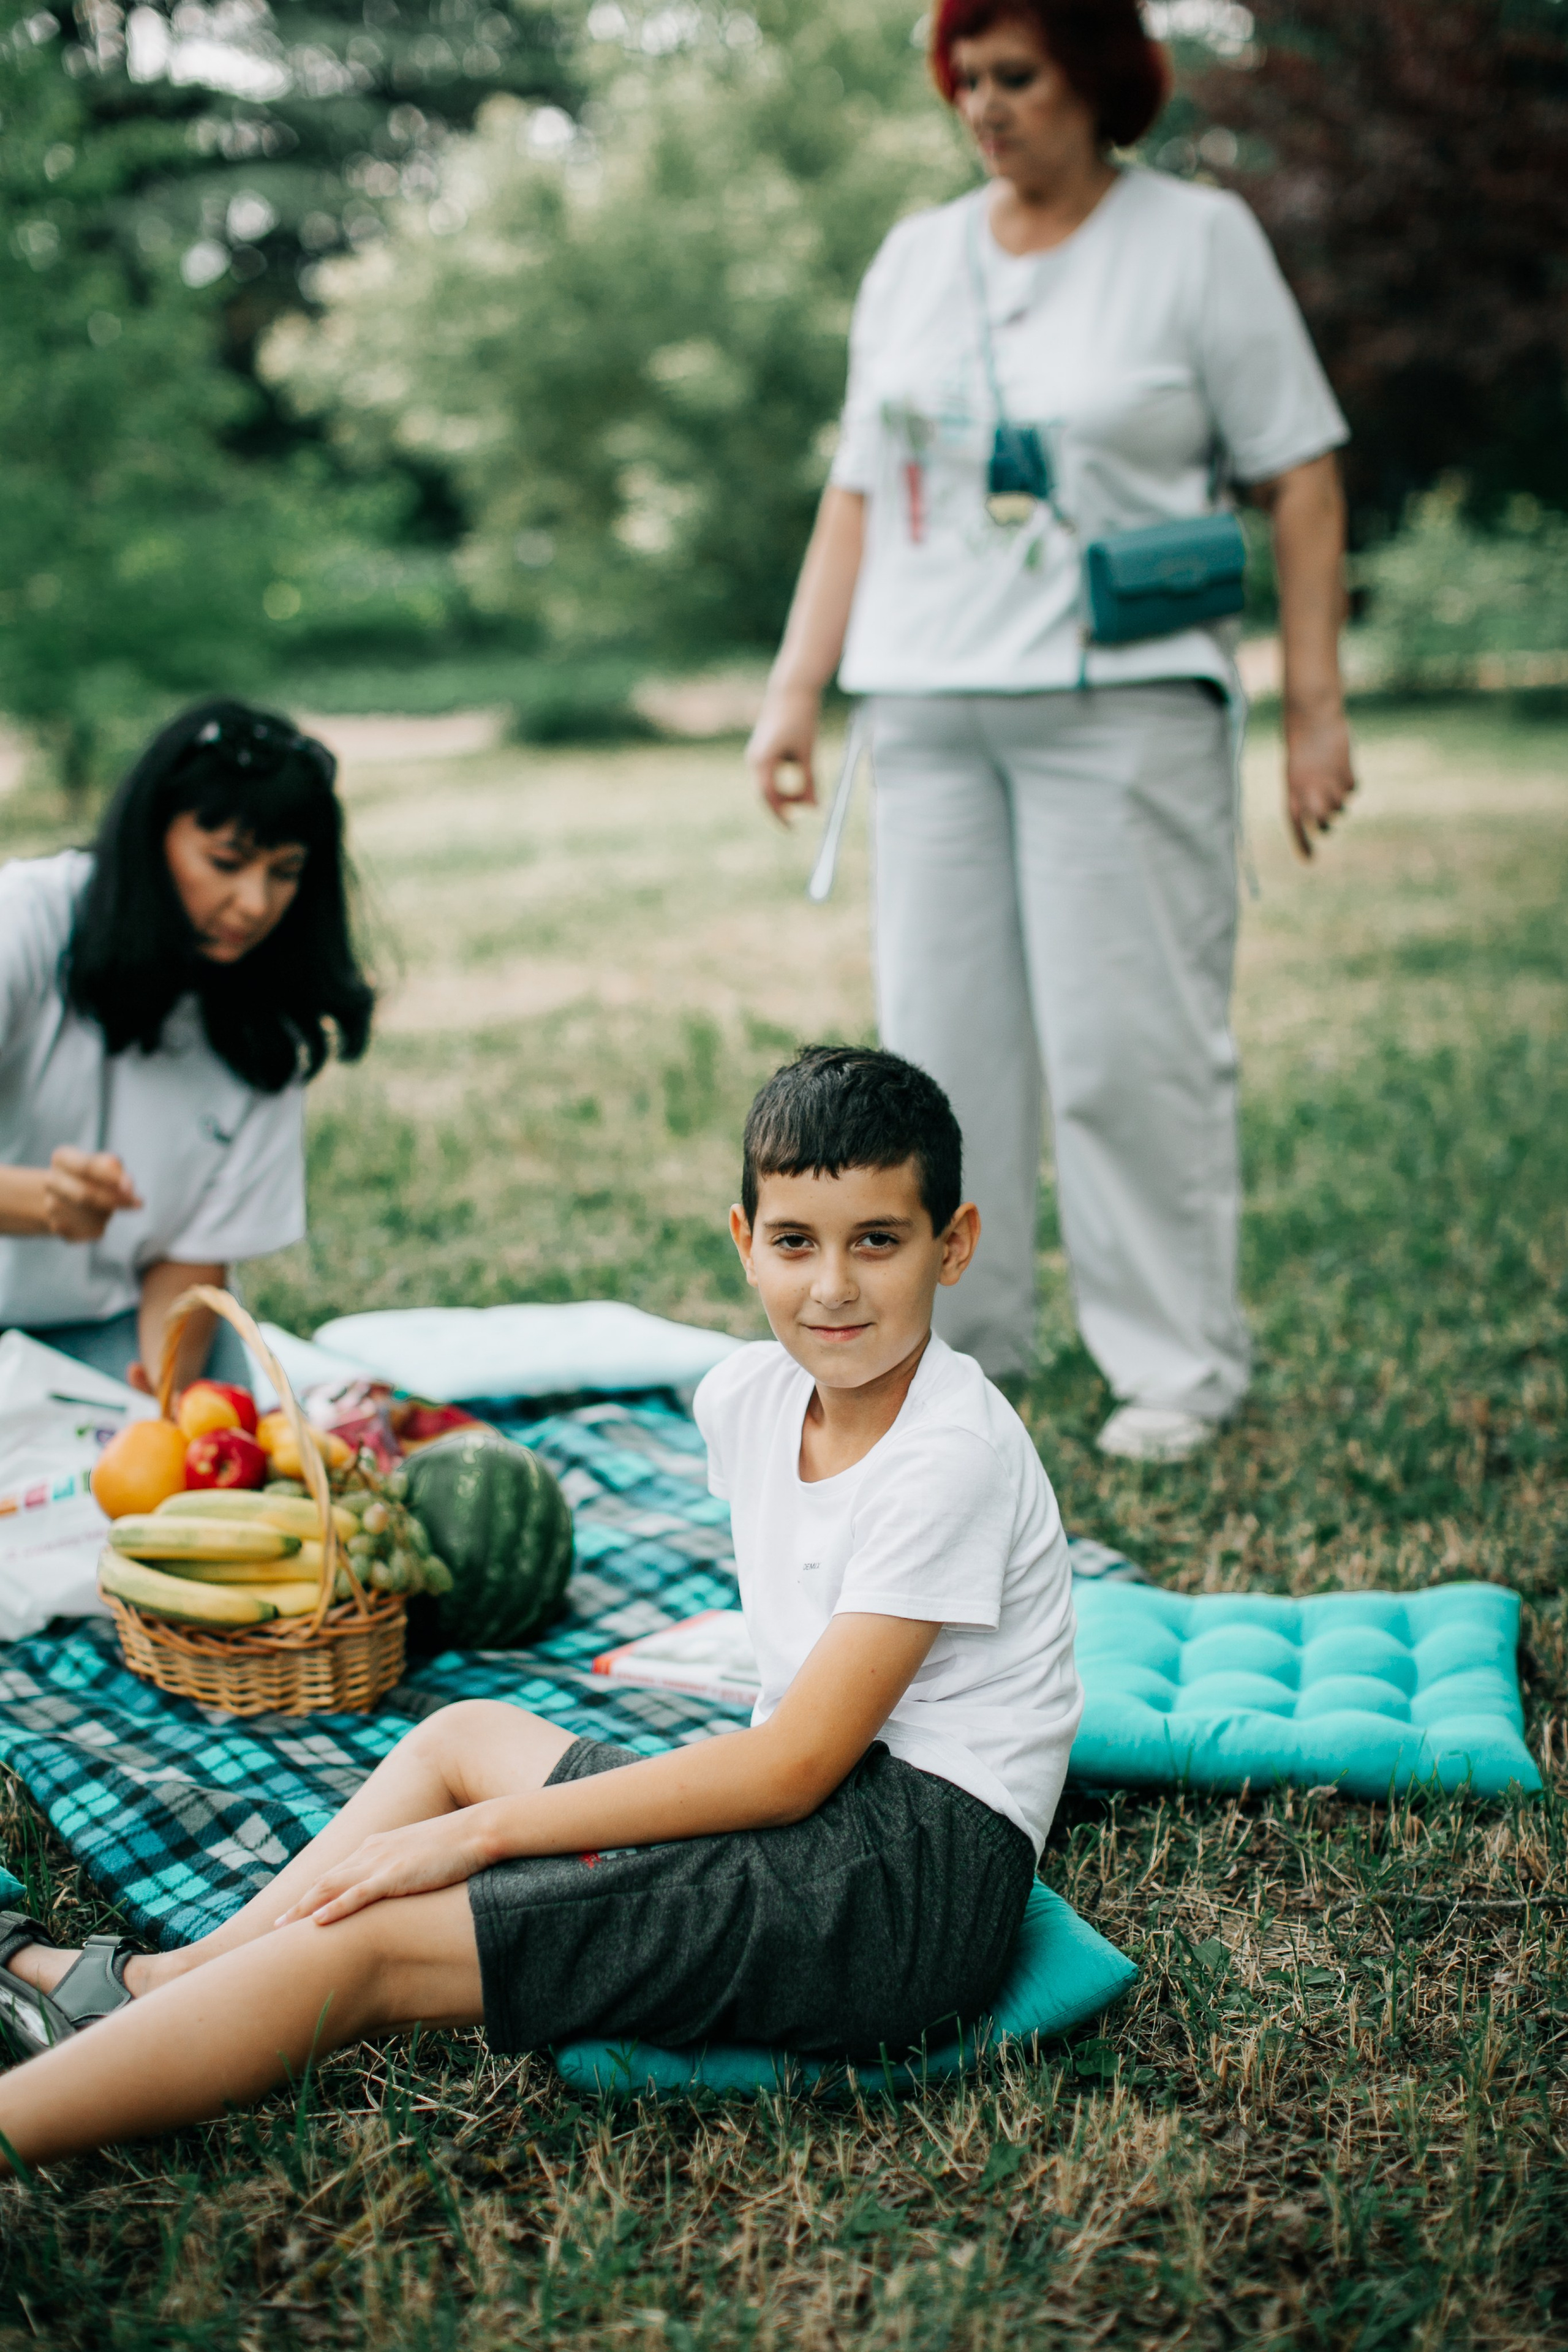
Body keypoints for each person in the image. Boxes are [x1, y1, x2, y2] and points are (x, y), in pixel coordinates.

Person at [0, 1047, 1081, 2167]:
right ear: (743, 1240)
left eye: (879, 1241)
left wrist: (478, 1840)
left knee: (367, 1947)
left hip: (900, 1892)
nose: (832, 1287)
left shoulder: (952, 1455)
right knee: (461, 1734)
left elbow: (791, 1768)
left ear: (952, 1245)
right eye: (796, 1242)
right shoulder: (748, 1397)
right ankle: (162, 1984)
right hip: (819, 1811)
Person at [746, 0, 1357, 1461]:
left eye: (1012, 76)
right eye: (963, 80)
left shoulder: (1194, 243)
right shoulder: (911, 257)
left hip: (1122, 707)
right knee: (940, 1058)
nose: (983, 106)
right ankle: (961, 1351)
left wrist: (1312, 711)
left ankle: (1175, 1367)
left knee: (1121, 1047)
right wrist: (792, 689)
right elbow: (851, 490)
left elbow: (1302, 473)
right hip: (932, 710)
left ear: (1092, 78)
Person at [0, 698, 374, 1398]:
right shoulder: (24, 921)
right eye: (226, 861)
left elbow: (192, 1260)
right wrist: (36, 1200)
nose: (255, 904)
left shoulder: (269, 1026)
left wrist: (161, 1399)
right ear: (152, 835)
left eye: (285, 872)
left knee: (207, 1421)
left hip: (96, 1328)